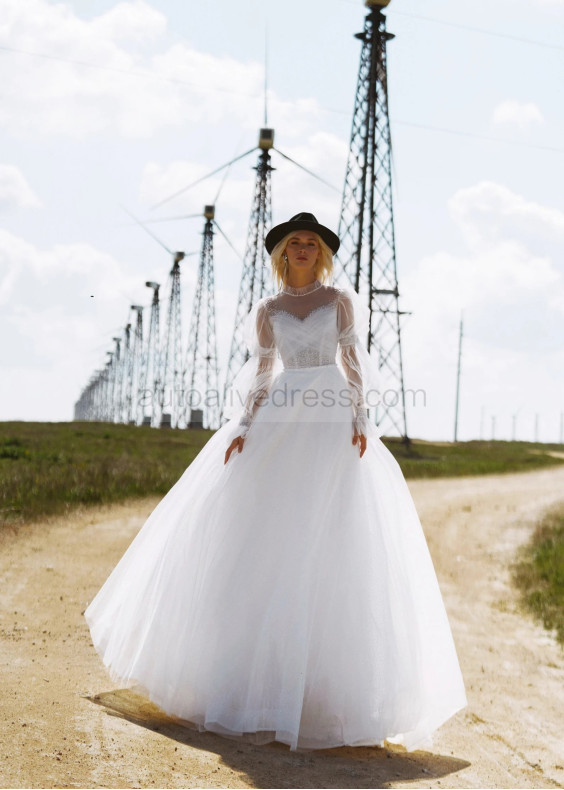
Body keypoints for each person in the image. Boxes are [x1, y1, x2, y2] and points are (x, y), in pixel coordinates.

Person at [84, 212, 467, 753]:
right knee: (269, 534)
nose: (304, 248)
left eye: (312, 243)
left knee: (329, 536)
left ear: (321, 253)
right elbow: (263, 371)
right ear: (283, 252)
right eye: (295, 242)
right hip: (283, 413)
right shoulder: (266, 310)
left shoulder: (340, 301)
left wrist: (361, 417)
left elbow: (353, 359)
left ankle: (324, 694)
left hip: (330, 417)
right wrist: (244, 425)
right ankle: (249, 686)